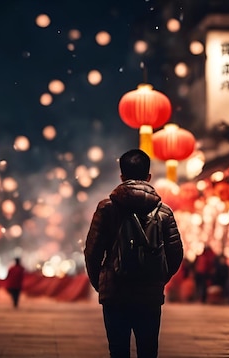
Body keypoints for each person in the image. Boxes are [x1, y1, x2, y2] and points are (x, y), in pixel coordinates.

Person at [84, 149, 184, 358]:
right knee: (148, 351)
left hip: (115, 293)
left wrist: (102, 282)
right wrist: (158, 279)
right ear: (148, 177)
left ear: (122, 176)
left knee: (118, 351)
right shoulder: (164, 212)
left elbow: (92, 253)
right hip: (149, 294)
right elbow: (176, 254)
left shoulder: (106, 208)